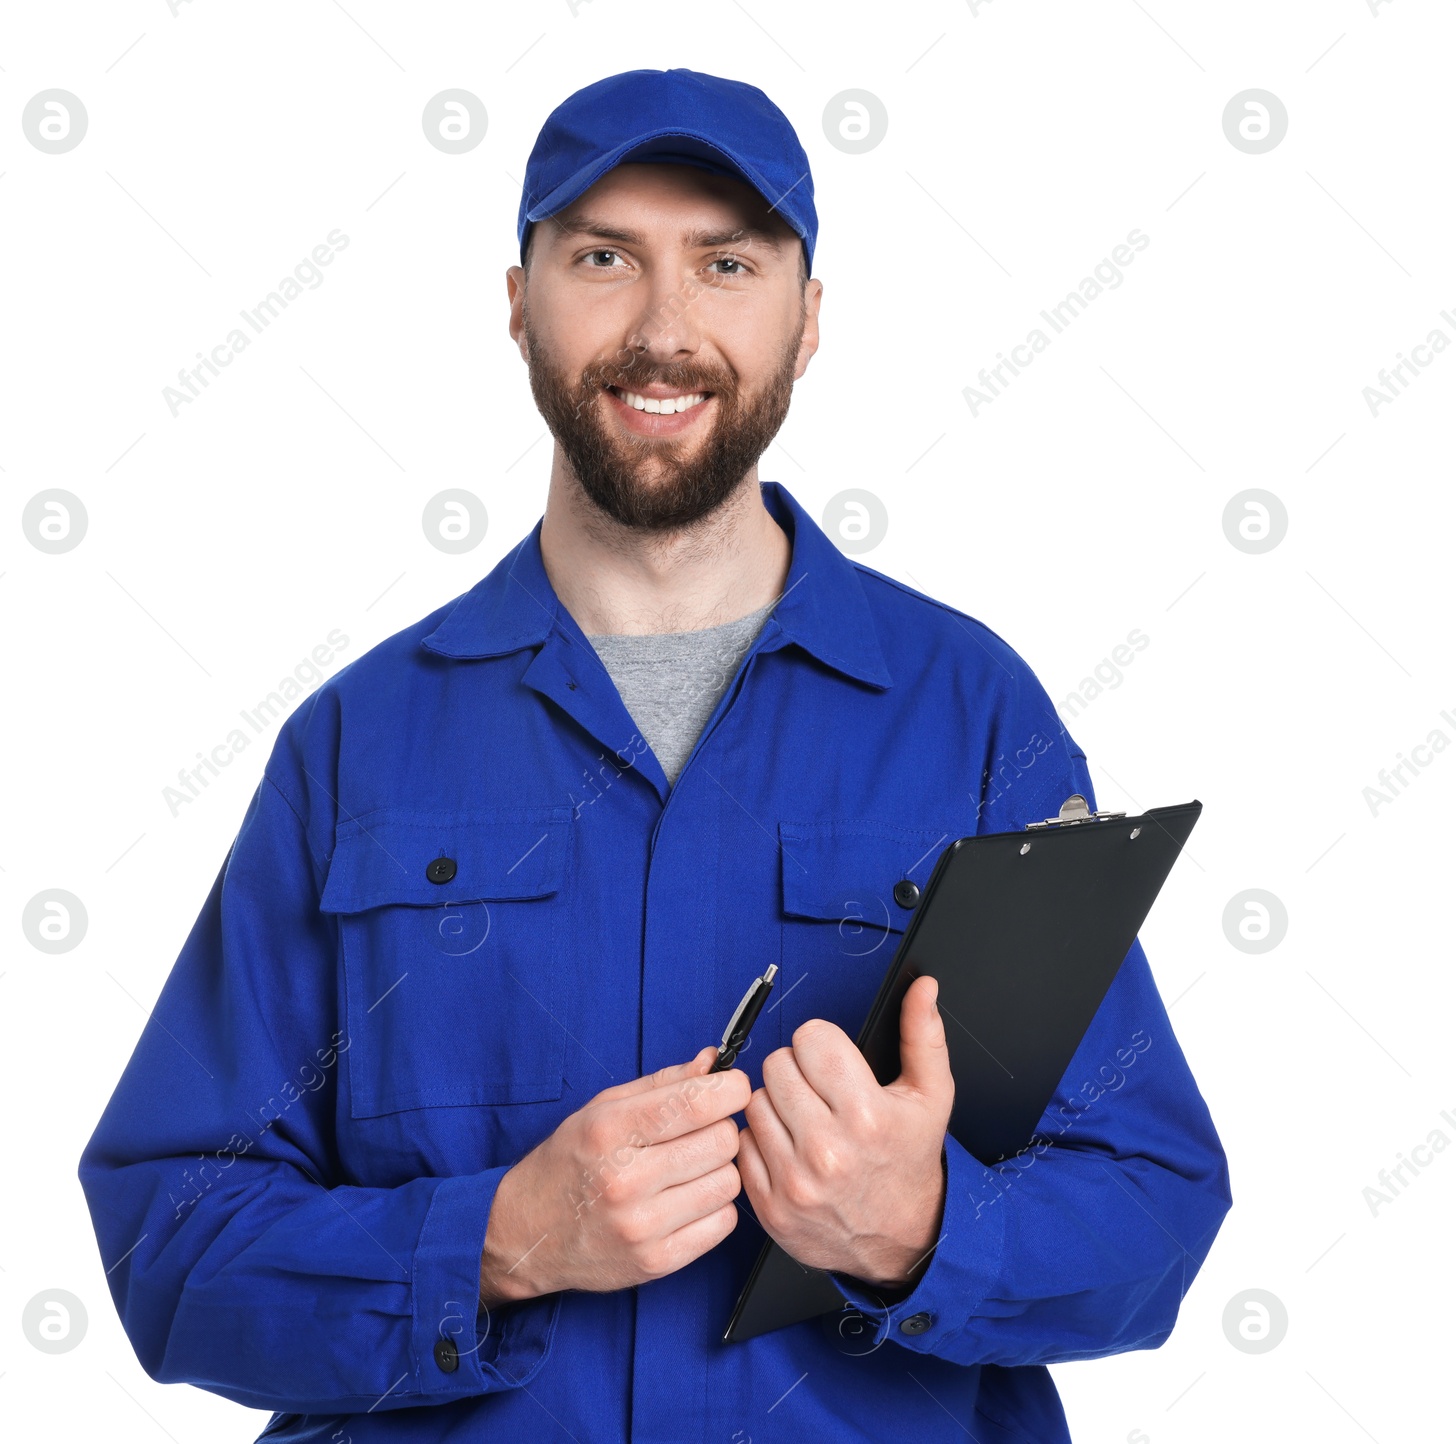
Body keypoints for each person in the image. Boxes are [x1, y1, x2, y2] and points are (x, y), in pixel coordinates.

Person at [79, 67, 1231, 1443]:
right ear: (519, 303)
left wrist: (923, 1224)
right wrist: (498, 1237)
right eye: (604, 257)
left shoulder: (973, 714)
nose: (664, 329)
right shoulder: (357, 745)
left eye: (728, 262)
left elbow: (1152, 1204)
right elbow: (171, 1243)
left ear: (809, 321)